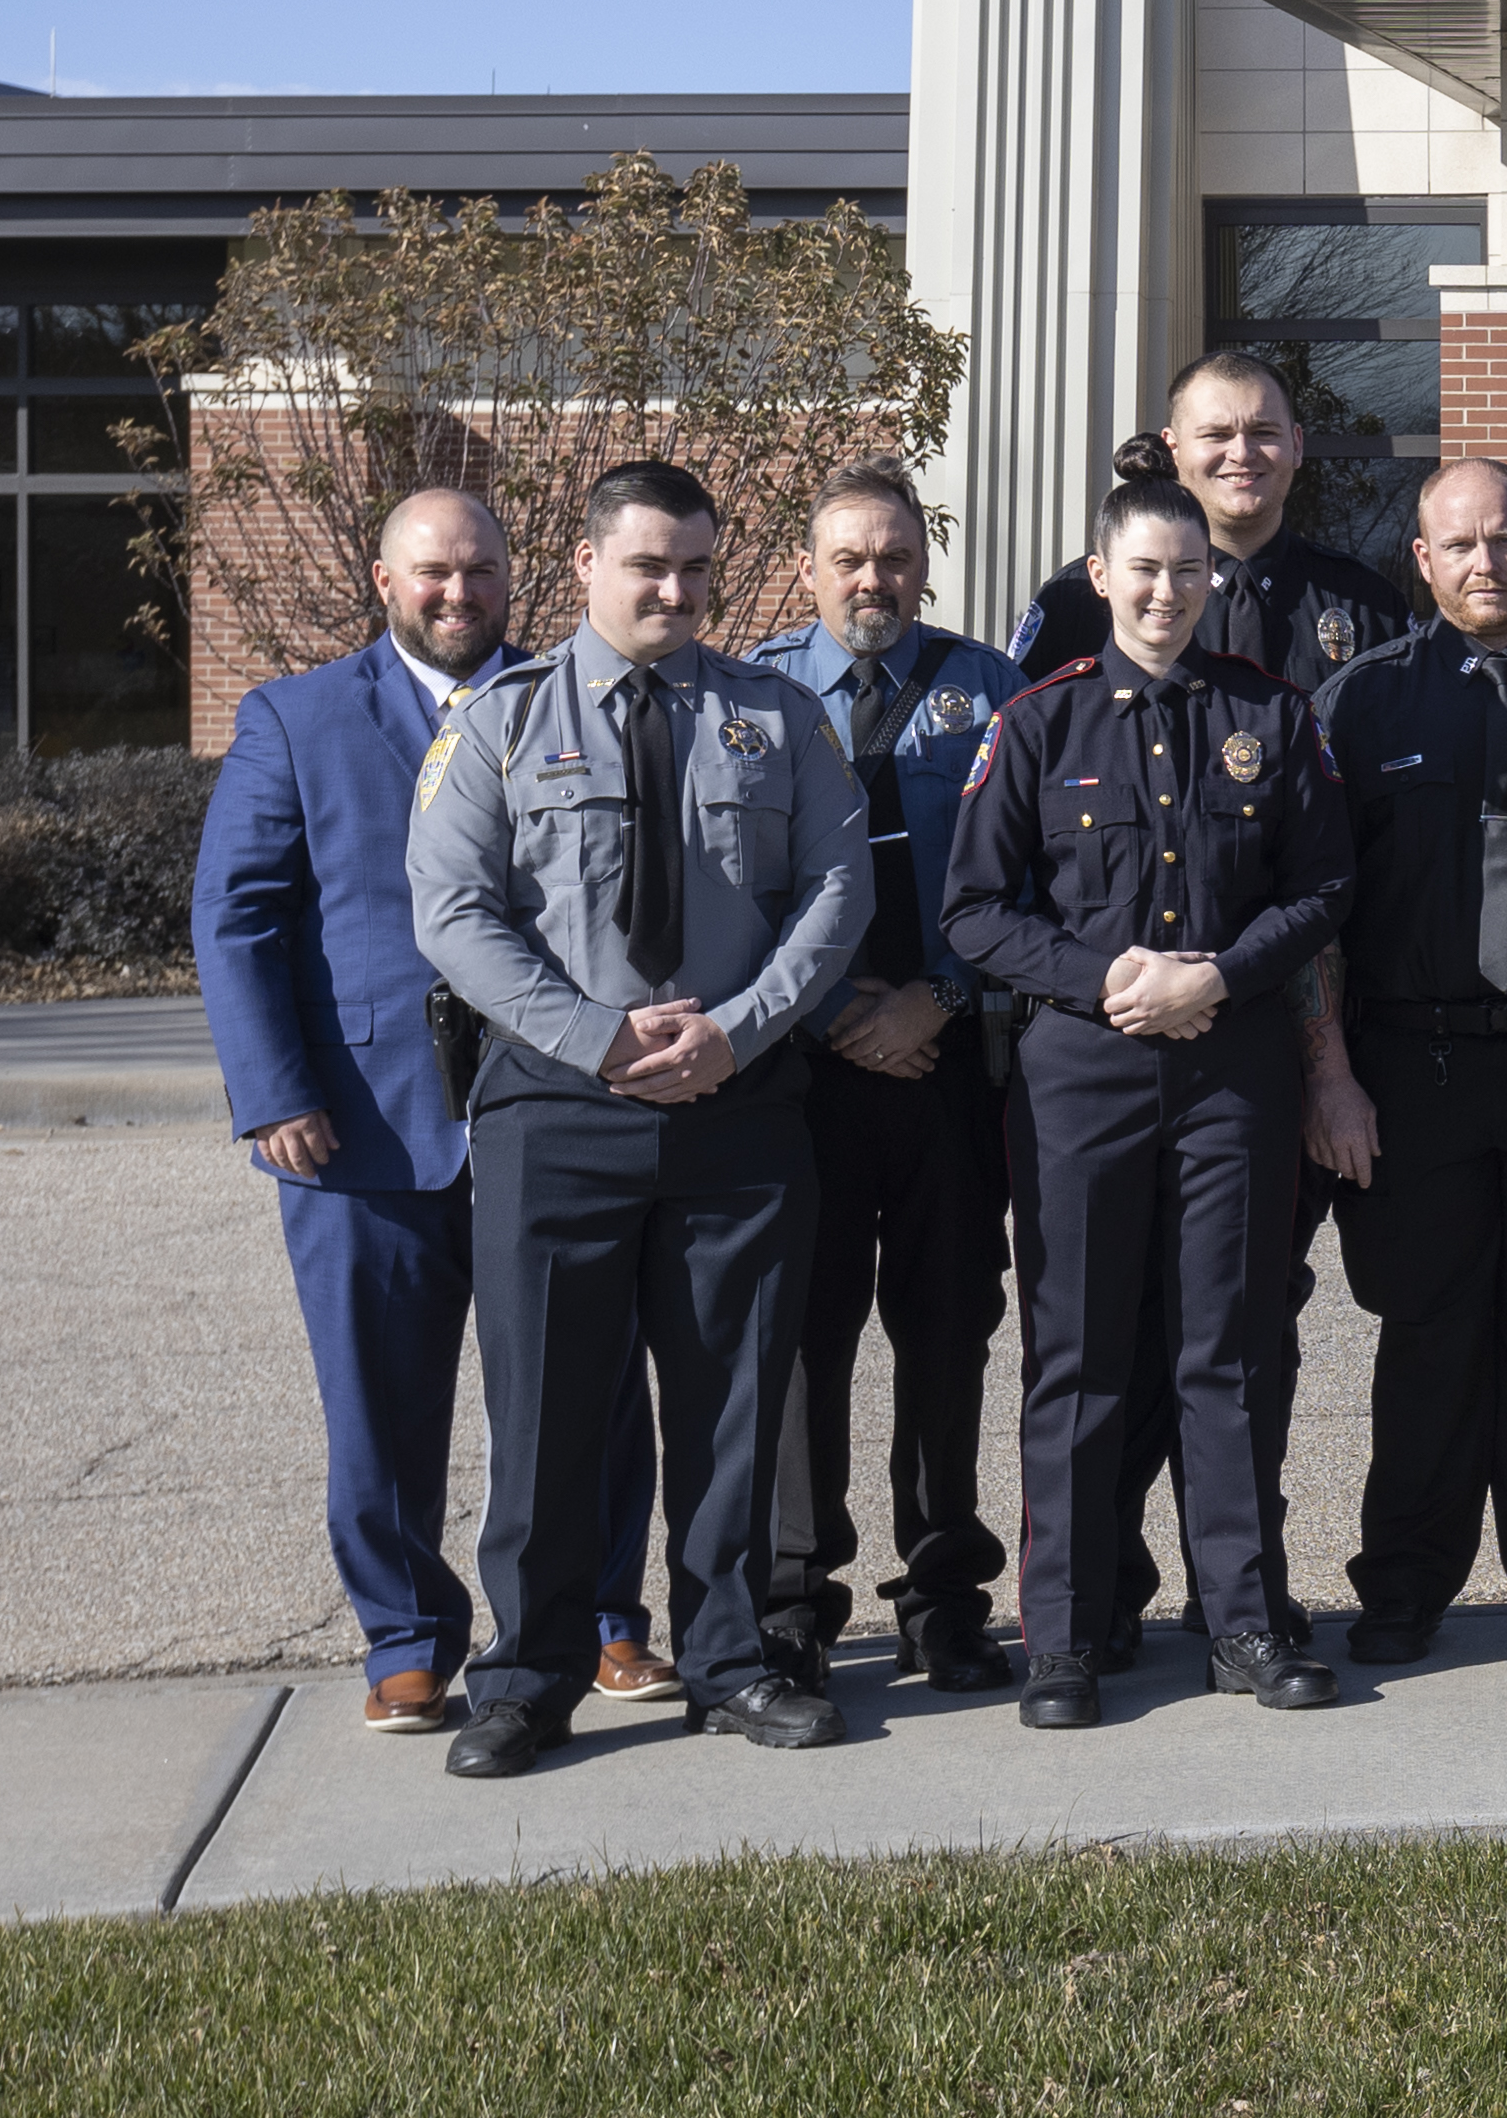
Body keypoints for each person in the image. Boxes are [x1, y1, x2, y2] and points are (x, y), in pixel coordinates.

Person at [405, 461, 874, 1777]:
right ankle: (530, 1671)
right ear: (589, 563)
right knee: (547, 1411)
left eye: (696, 570)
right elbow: (450, 912)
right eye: (648, 566)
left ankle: (730, 1658)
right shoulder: (500, 723)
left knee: (732, 1404)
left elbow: (837, 891)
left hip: (737, 1107)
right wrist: (598, 1036)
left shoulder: (775, 718)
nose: (674, 590)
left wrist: (742, 1026)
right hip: (557, 1112)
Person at [194, 489, 667, 1736]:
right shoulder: (293, 720)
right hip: (360, 1125)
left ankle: (607, 1620)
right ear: (382, 577)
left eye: (480, 572)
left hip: (557, 1110)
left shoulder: (583, 701)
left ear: (520, 577)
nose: (457, 594)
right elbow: (236, 916)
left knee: (589, 1395)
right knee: (380, 1402)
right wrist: (272, 1091)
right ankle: (406, 1638)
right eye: (432, 574)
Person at [946, 473, 1356, 1729]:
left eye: (1188, 572)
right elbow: (971, 911)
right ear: (1099, 576)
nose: (1168, 592)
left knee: (1225, 1349)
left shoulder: (1271, 717)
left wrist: (1220, 975)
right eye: (1144, 571)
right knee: (1074, 1357)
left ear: (1212, 581)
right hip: (1082, 1075)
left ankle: (1240, 1620)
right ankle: (1063, 1639)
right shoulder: (1036, 726)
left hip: (1233, 1070)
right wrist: (1109, 975)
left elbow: (1327, 888)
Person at [1299, 459, 1507, 1665]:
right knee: (1425, 1334)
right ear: (1420, 561)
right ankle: (1405, 1583)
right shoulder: (1358, 705)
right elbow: (1315, 911)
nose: (1487, 563)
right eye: (1461, 544)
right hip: (1407, 1067)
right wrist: (1329, 1075)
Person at [740, 465, 1030, 1695]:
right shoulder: (748, 695)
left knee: (949, 1332)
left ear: (924, 564)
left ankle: (946, 1591)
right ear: (808, 570)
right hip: (801, 1074)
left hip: (950, 1066)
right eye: (849, 558)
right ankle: (796, 1600)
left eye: (896, 557)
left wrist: (941, 999)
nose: (874, 579)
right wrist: (827, 1013)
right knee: (805, 1339)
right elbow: (733, 883)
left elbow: (1026, 874)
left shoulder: (991, 689)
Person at [1015, 354, 1418, 693]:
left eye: (1263, 432)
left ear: (1296, 444)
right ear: (1173, 449)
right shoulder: (1082, 603)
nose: (1242, 453)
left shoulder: (1369, 604)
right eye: (1216, 435)